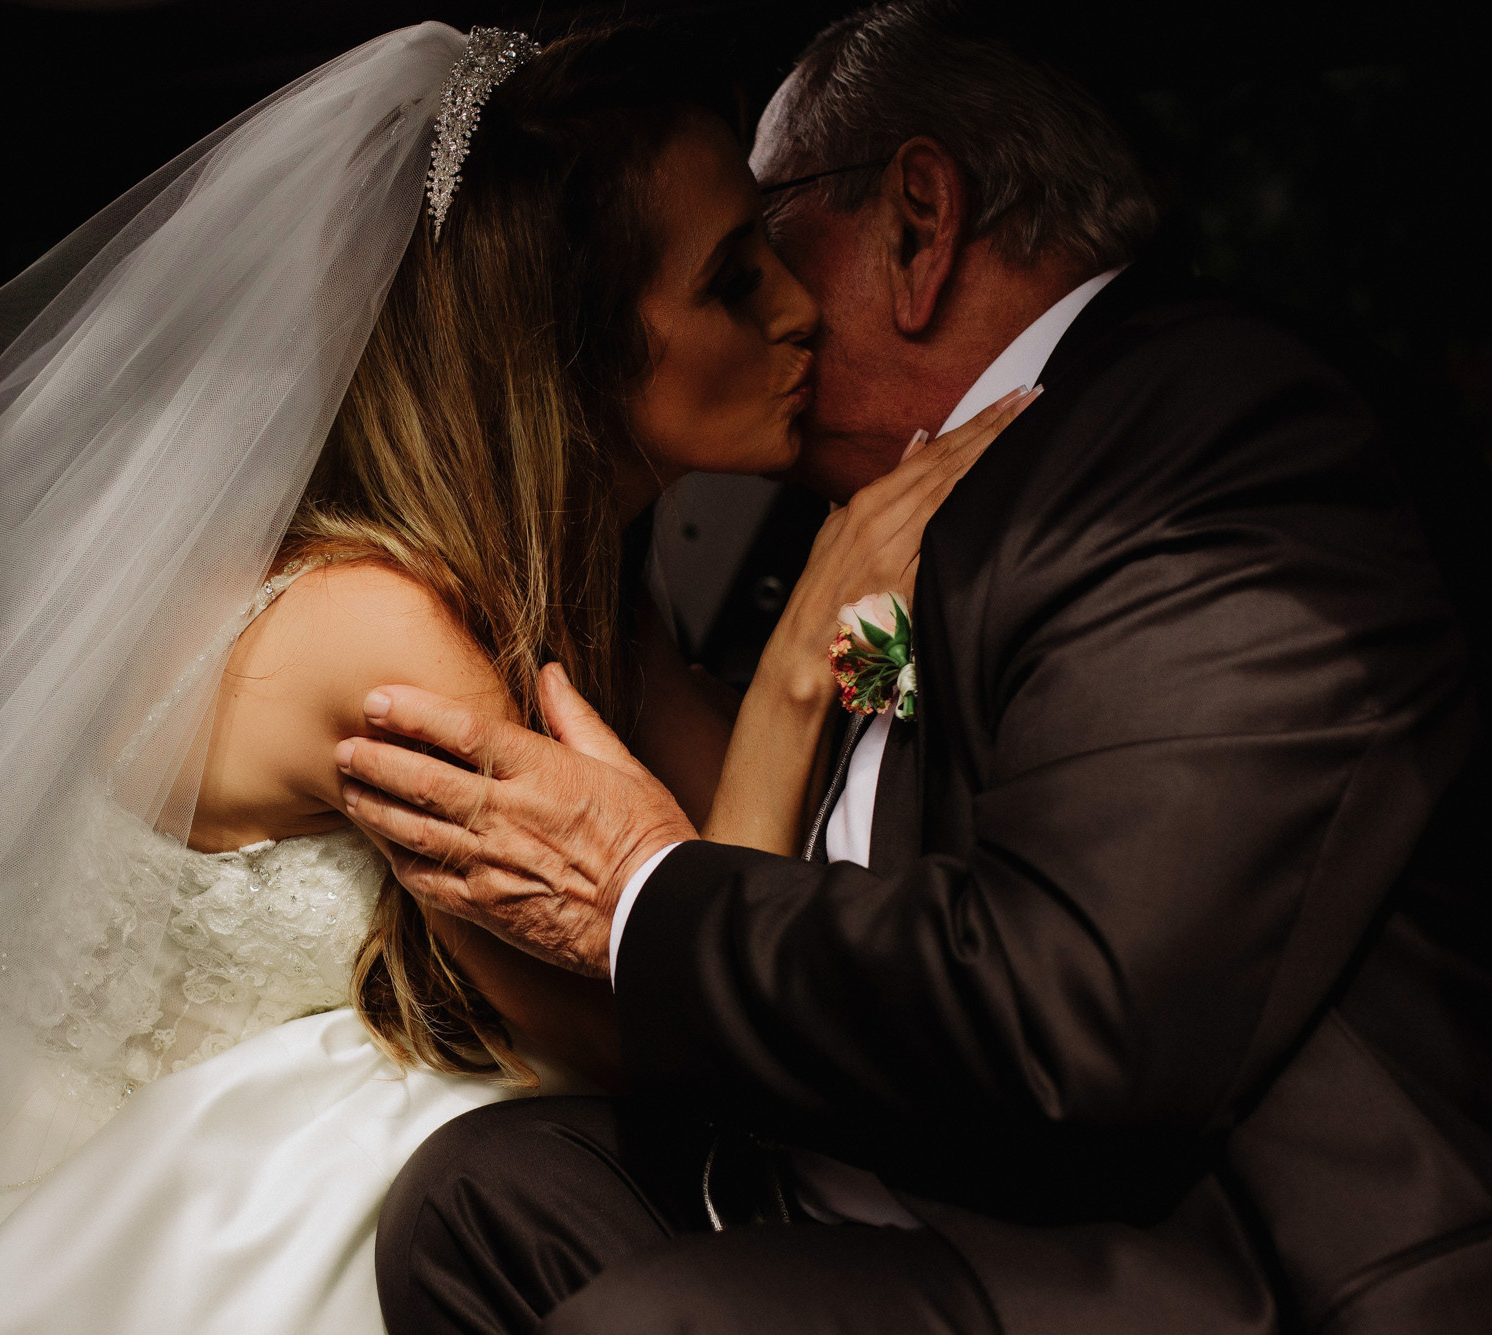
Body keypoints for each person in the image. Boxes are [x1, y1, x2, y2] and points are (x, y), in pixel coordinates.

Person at [0, 20, 1028, 1335]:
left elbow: (750, 904)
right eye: (733, 280)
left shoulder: (589, 592)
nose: (798, 306)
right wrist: (800, 663)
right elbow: (695, 1046)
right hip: (127, 1221)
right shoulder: (381, 633)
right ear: (565, 342)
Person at [344, 5, 1490, 1333]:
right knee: (479, 1201)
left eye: (771, 240)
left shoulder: (1199, 439)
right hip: (912, 1179)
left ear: (916, 226)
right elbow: (874, 811)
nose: (771, 307)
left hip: (1199, 1261)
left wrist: (637, 893)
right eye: (733, 273)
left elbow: (1082, 1011)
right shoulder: (894, 508)